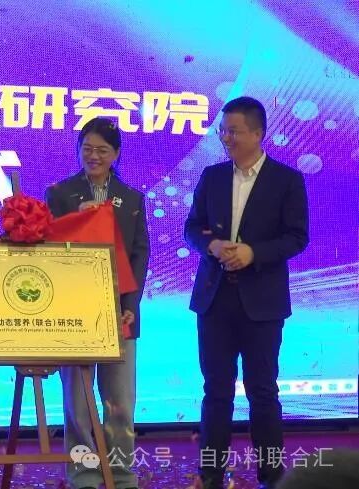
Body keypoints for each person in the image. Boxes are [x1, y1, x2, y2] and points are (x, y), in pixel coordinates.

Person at [184, 96, 309, 489]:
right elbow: (192, 227)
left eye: (234, 131)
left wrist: (254, 253)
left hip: (263, 304)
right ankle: (210, 474)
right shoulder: (213, 176)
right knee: (216, 392)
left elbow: (297, 237)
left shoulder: (287, 180)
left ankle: (272, 477)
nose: (226, 138)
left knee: (262, 392)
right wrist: (211, 245)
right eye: (223, 130)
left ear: (258, 133)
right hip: (215, 300)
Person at [45, 117, 149, 489]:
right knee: (77, 400)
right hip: (75, 310)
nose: (94, 156)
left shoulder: (132, 199)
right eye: (87, 149)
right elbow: (48, 247)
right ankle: (84, 470)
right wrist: (80, 222)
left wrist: (130, 304)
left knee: (120, 400)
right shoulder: (60, 194)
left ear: (116, 154)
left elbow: (139, 254)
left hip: (120, 311)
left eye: (102, 150)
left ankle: (120, 471)